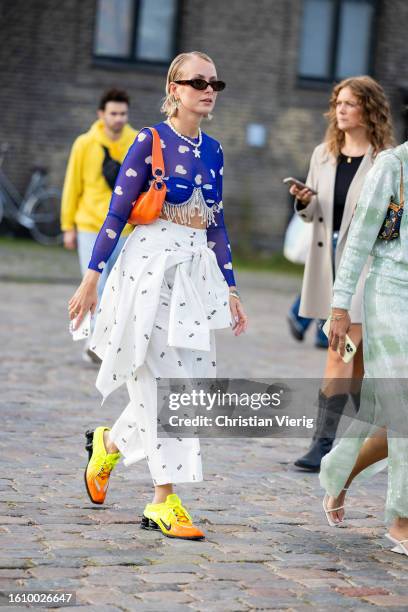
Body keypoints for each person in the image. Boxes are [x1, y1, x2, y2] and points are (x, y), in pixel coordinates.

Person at [68, 51, 248, 540]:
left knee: (187, 390)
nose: (208, 89)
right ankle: (163, 502)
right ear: (174, 88)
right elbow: (117, 213)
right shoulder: (149, 141)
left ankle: (108, 444)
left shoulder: (214, 150)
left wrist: (230, 288)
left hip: (194, 275)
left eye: (215, 82)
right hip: (147, 271)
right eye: (197, 81)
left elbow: (218, 224)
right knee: (162, 384)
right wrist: (91, 278)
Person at [286, 77, 394, 471]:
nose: (340, 110)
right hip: (326, 266)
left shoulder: (387, 160)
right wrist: (304, 202)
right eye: (337, 103)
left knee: (345, 355)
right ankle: (352, 443)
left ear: (369, 108)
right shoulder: (323, 154)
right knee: (351, 361)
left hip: (365, 271)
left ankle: (332, 444)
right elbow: (316, 215)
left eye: (349, 103)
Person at [320, 139, 408, 555]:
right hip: (391, 294)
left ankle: (339, 474)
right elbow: (358, 242)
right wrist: (339, 307)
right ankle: (401, 520)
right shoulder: (393, 166)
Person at [61, 88, 137, 362]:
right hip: (90, 226)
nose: (118, 119)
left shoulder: (137, 142)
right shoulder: (84, 143)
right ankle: (92, 343)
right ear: (101, 114)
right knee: (93, 286)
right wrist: (67, 225)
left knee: (118, 290)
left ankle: (104, 342)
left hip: (126, 230)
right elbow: (72, 185)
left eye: (123, 114)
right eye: (113, 113)